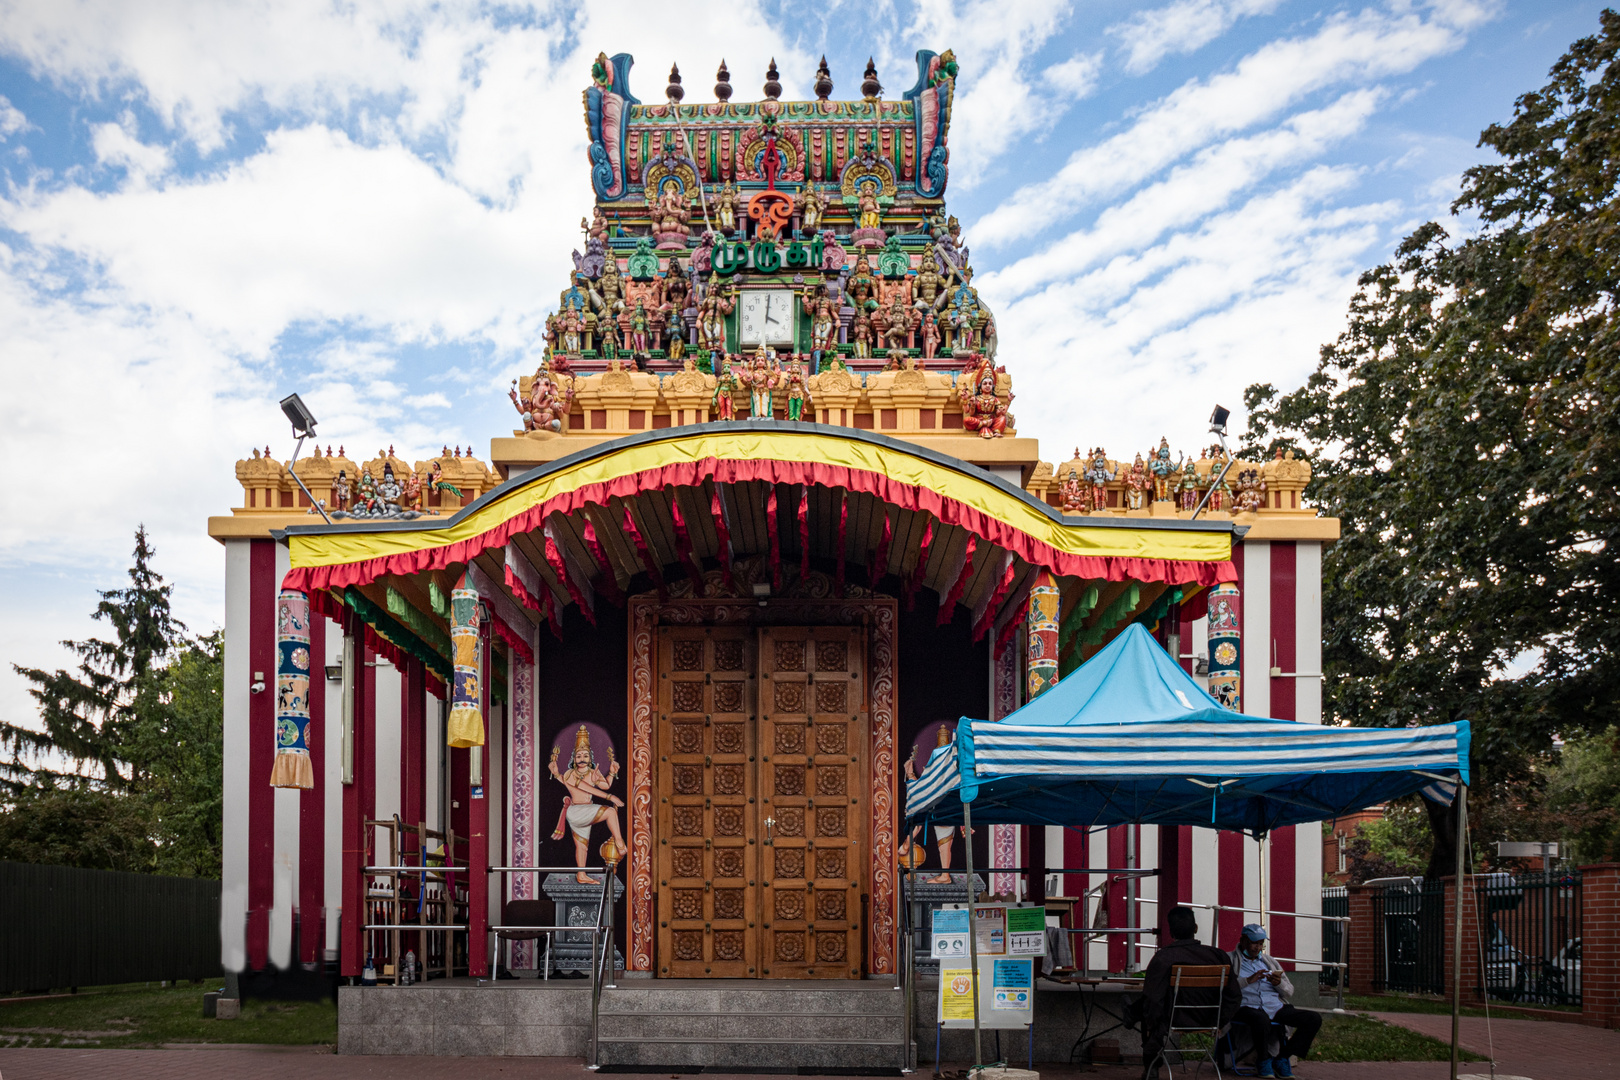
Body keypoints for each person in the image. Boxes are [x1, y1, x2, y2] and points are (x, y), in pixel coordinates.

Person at [1141, 906, 1240, 1080]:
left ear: (1171, 932)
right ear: (1195, 928)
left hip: (1172, 1019)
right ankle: (1134, 1012)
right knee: (1149, 1007)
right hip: (1208, 1018)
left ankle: (1151, 1066)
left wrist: (1152, 1021)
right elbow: (1234, 995)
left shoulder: (1163, 957)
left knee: (1148, 1009)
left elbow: (1153, 997)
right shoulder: (1218, 956)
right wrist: (1219, 1020)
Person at [1229, 923, 1321, 1077]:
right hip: (1246, 1006)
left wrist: (1278, 983)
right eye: (1253, 943)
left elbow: (1289, 991)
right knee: (1260, 1018)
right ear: (1243, 940)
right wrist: (1247, 980)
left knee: (1313, 1019)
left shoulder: (1269, 961)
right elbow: (1224, 988)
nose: (1257, 948)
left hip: (1274, 1006)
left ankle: (1282, 1058)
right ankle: (1263, 1060)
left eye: (1260, 944)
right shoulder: (1230, 959)